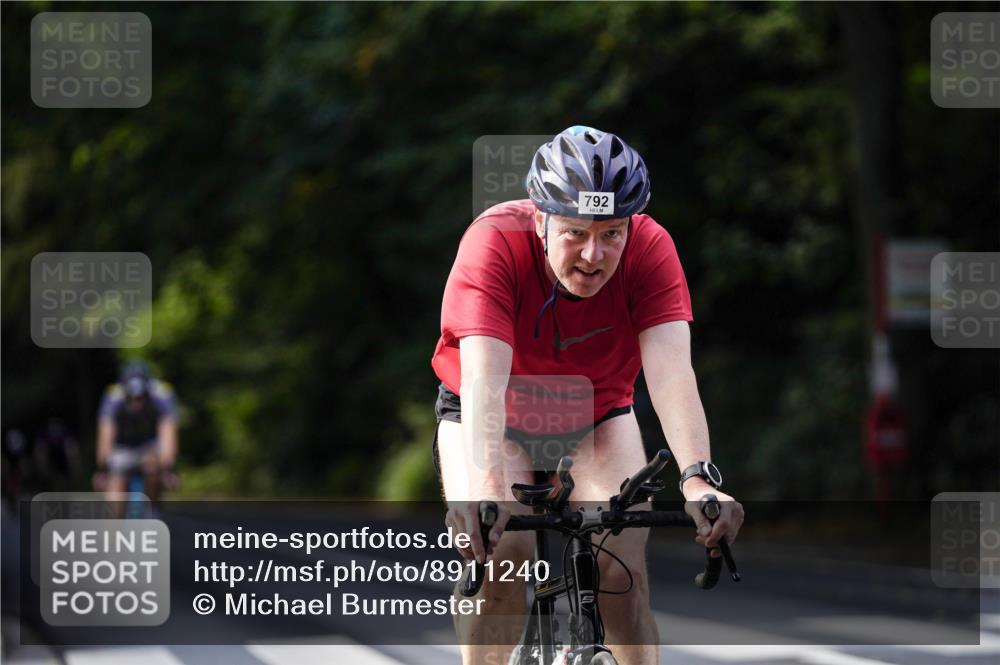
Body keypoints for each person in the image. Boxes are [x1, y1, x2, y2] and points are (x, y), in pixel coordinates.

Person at [431, 126, 745, 665]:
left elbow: (672, 374)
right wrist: (485, 490)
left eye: (612, 233)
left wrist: (698, 480)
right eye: (575, 232)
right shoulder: (494, 241)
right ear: (540, 219)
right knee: (503, 557)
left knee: (621, 573)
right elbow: (485, 376)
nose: (593, 255)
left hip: (595, 414)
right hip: (494, 412)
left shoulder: (651, 249)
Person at [95, 360, 179, 505]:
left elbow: (168, 432)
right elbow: (106, 435)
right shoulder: (113, 395)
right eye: (132, 398)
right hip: (122, 444)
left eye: (140, 398)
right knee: (115, 484)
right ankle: (114, 525)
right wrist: (103, 469)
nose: (136, 403)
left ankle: (153, 511)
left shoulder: (162, 393)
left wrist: (166, 467)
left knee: (153, 468)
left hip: (149, 443)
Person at [33, 418, 81, 493]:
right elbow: (40, 454)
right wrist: (43, 469)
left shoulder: (65, 434)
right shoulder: (44, 436)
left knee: (72, 471)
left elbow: (73, 452)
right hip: (52, 460)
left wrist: (75, 467)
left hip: (63, 460)